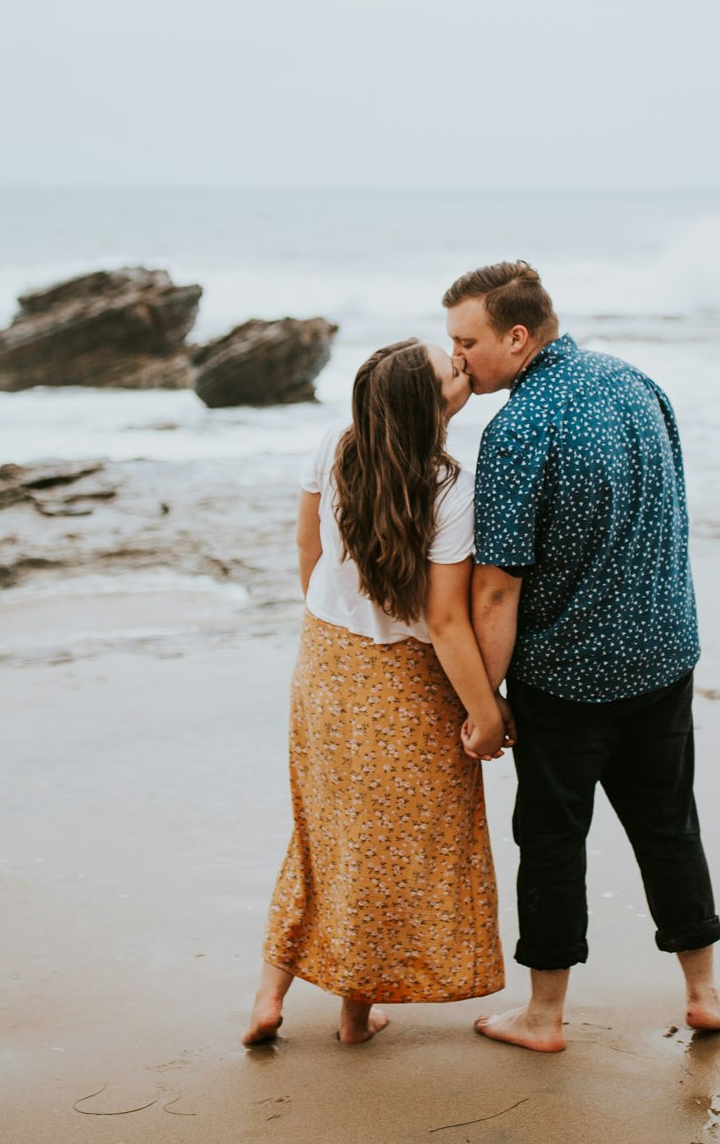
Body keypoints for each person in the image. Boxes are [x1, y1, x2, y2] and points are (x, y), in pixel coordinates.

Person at [443, 261, 720, 1053]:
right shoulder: (637, 381)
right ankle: (705, 993)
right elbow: (671, 510)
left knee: (550, 840)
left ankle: (542, 1017)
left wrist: (487, 703)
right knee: (670, 826)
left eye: (466, 342)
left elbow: (496, 592)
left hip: (569, 678)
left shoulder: (516, 430)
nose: (457, 359)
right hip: (663, 653)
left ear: (516, 335)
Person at [243, 338, 509, 1047]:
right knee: (383, 845)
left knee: (321, 832)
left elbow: (308, 554)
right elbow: (446, 619)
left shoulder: (335, 442)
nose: (461, 365)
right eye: (449, 366)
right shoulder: (449, 483)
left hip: (324, 663)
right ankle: (355, 1016)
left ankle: (269, 997)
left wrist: (341, 620)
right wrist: (486, 714)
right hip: (404, 684)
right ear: (436, 404)